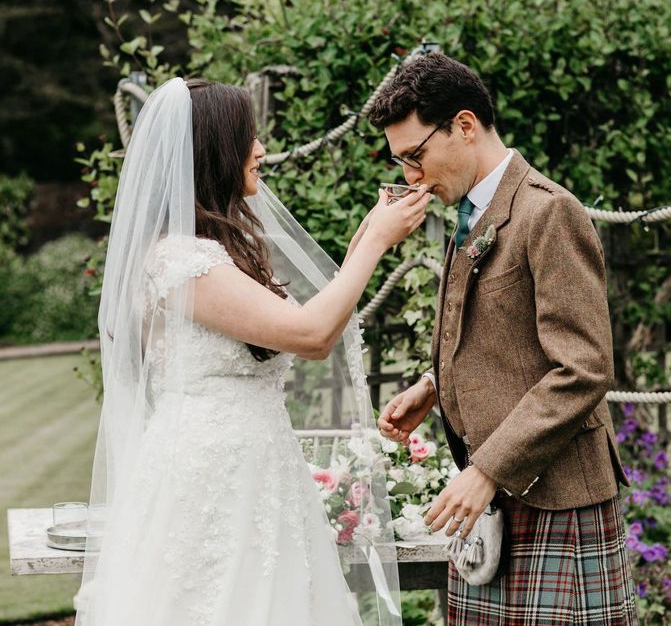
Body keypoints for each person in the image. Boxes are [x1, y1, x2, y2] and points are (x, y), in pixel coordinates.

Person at [74, 77, 429, 626]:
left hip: (259, 467)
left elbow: (313, 315)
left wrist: (367, 235)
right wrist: (379, 243)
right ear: (214, 152)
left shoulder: (212, 250)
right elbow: (311, 336)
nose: (261, 150)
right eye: (249, 139)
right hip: (212, 478)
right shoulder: (180, 263)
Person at [373, 53, 638, 625]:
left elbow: (583, 367)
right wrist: (433, 386)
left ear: (465, 126)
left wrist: (488, 468)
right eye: (401, 163)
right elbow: (505, 333)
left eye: (415, 156)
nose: (410, 178)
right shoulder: (473, 210)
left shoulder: (549, 212)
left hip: (557, 496)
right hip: (498, 499)